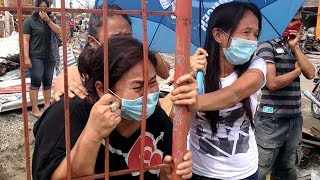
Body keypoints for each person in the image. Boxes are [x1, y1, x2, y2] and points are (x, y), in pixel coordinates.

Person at [32, 36, 196, 180]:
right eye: (137, 87)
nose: (149, 95)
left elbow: (166, 168)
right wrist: (93, 134)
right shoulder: (69, 114)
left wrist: (167, 177)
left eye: (153, 83)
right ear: (102, 89)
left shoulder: (156, 119)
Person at [185, 2, 267, 179]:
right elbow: (178, 122)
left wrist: (192, 101)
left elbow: (233, 94)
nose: (252, 40)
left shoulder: (257, 65)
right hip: (199, 171)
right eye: (246, 32)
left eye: (256, 34)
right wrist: (188, 77)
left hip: (243, 173)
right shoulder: (195, 68)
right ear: (218, 35)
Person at [53, 4, 171, 101]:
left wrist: (145, 53)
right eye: (115, 38)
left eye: (127, 36)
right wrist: (65, 79)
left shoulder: (139, 60)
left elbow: (165, 73)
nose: (123, 44)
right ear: (93, 42)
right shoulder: (81, 74)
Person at [253, 9, 315, 180]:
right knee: (261, 168)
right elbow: (272, 83)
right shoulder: (267, 45)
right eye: (293, 20)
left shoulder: (296, 46)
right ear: (283, 21)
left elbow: (311, 73)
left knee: (287, 169)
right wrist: (296, 73)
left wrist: (296, 48)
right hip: (271, 120)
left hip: (294, 119)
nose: (298, 24)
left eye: (300, 20)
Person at [23, 0, 62, 117]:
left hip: (50, 56)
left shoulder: (49, 20)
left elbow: (59, 31)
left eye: (45, 7)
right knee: (35, 83)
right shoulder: (29, 22)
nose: (43, 9)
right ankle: (35, 109)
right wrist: (26, 57)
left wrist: (48, 20)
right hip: (36, 56)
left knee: (48, 82)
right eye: (41, 7)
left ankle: (46, 105)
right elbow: (25, 40)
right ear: (36, 7)